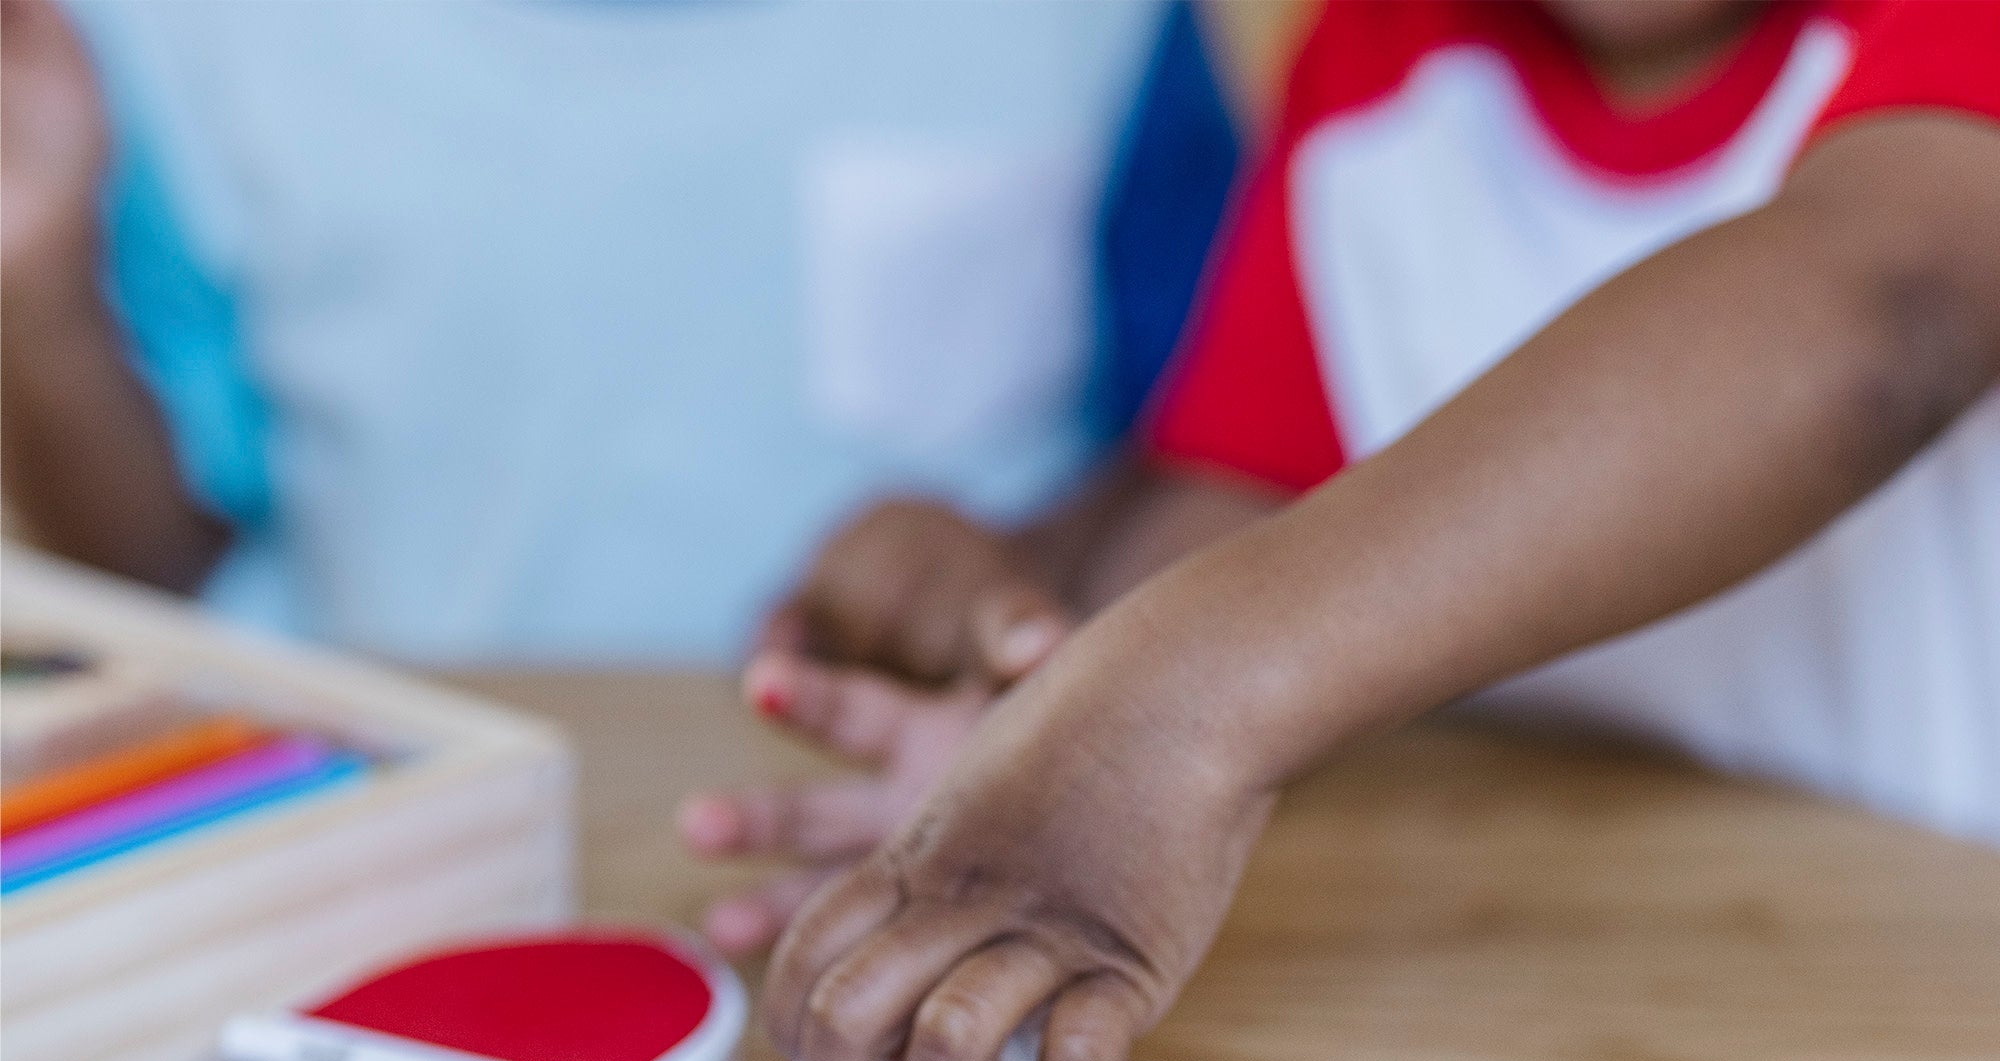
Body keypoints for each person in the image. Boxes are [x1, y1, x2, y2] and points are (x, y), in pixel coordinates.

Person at [680, 0, 2000, 1061]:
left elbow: (1887, 303)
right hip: (1551, 996)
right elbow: (1240, 506)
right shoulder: (1377, 55)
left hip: (1932, 1009)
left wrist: (1163, 714)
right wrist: (1040, 709)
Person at [0, 0, 1243, 660]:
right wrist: (37, 288)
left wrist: (1025, 565)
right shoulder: (175, 35)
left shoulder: (1101, 21)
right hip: (388, 835)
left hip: (933, 815)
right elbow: (155, 565)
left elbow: (1219, 453)